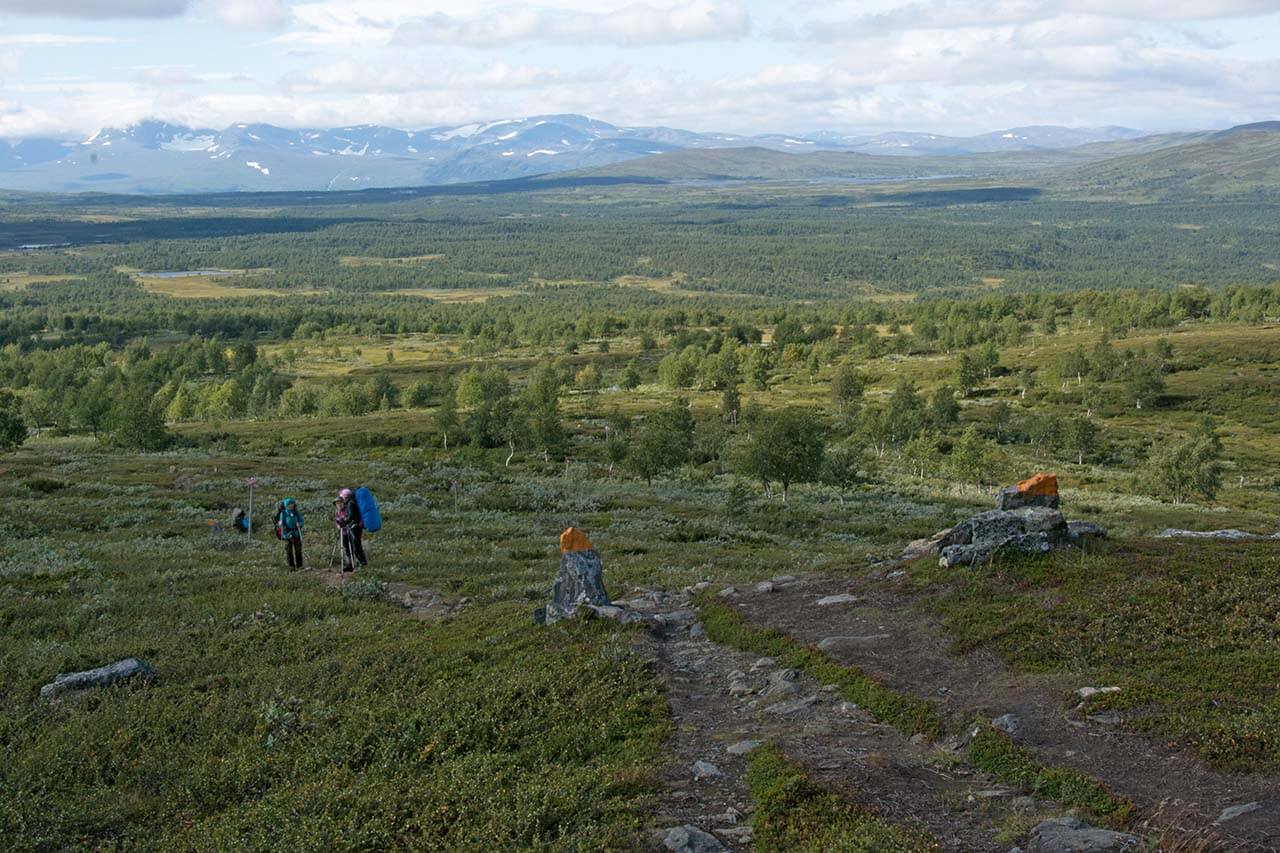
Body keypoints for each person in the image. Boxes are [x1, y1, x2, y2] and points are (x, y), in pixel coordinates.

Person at [334, 487, 367, 572]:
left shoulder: (350, 504)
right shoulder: (351, 503)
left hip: (353, 528)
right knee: (350, 547)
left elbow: (352, 516)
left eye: (342, 498)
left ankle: (360, 563)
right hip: (352, 528)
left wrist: (344, 522)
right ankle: (352, 564)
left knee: (356, 545)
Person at [274, 497, 305, 569]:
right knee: (289, 551)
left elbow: (301, 520)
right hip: (287, 534)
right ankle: (291, 566)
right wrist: (284, 533)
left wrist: (300, 524)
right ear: (286, 505)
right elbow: (282, 524)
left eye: (292, 504)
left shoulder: (296, 512)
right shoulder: (283, 513)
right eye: (289, 504)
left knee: (298, 550)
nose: (291, 506)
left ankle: (299, 565)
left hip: (296, 533)